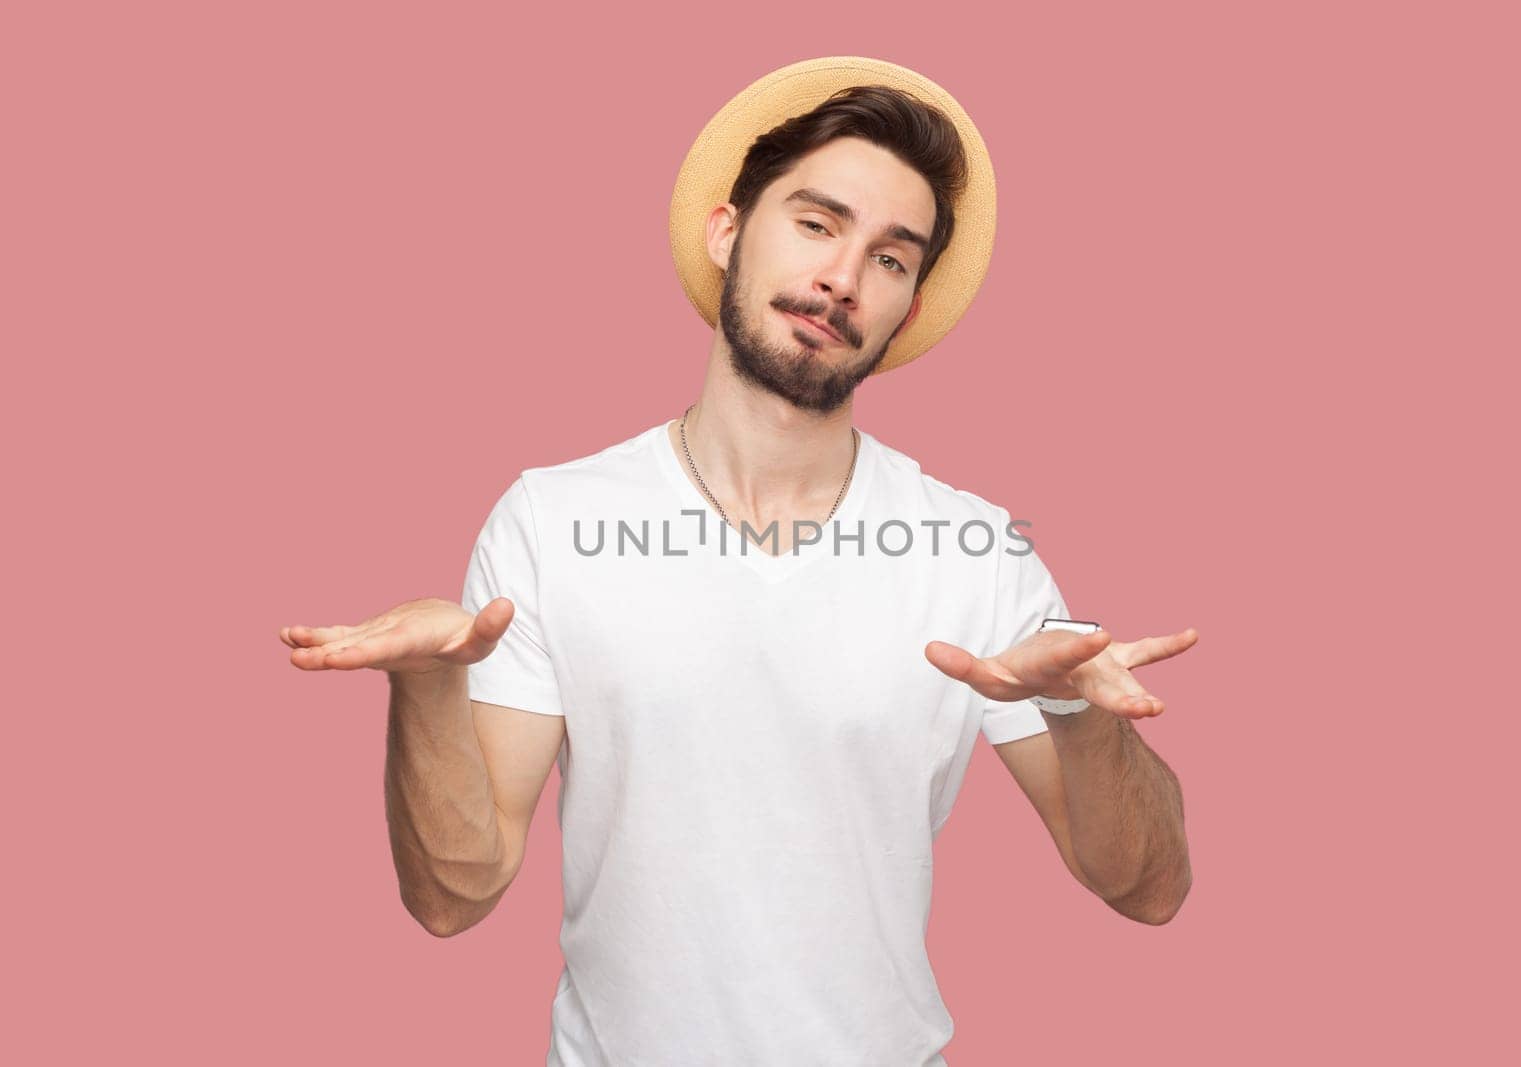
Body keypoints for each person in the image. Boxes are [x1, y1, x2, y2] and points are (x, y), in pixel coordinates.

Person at [282, 56, 1196, 1067]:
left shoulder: (971, 550)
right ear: (727, 233)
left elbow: (1146, 888)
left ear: (907, 308)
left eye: (891, 259)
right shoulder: (552, 521)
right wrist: (428, 686)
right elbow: (454, 895)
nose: (842, 278)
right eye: (816, 223)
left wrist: (1078, 711)